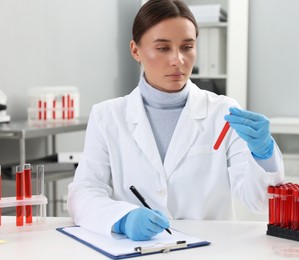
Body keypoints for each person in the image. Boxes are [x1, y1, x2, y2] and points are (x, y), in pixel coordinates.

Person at [67, 0, 284, 241]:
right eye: (163, 48)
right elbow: (84, 193)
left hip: (210, 250)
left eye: (187, 47)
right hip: (137, 249)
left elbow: (259, 202)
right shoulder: (107, 116)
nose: (178, 60)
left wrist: (264, 157)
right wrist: (122, 219)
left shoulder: (223, 112)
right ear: (135, 50)